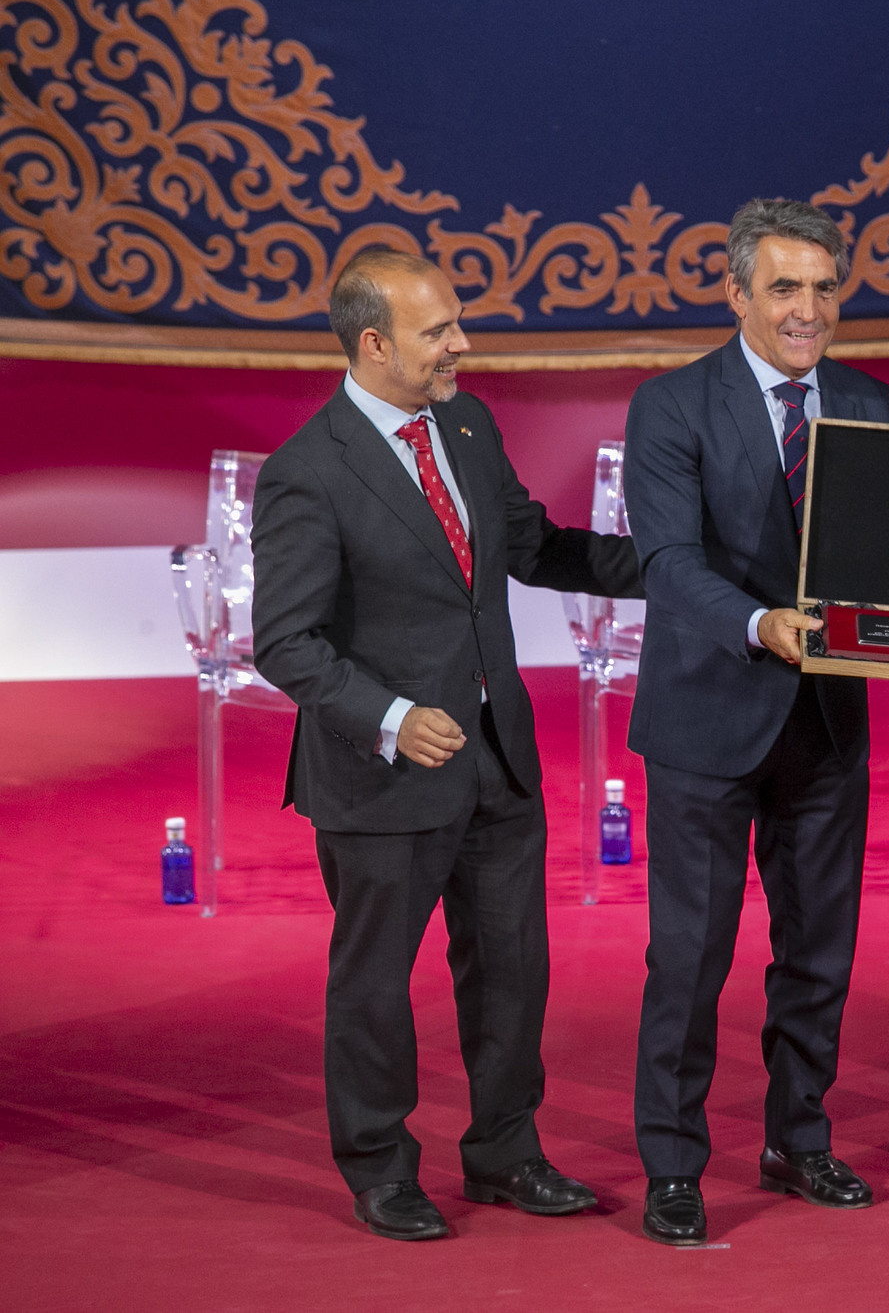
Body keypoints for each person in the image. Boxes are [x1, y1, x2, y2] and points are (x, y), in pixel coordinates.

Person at [251, 249, 643, 1241]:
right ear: (373, 344)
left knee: (512, 973)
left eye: (456, 321)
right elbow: (285, 642)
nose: (460, 344)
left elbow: (534, 546)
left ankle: (506, 1153)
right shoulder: (308, 470)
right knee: (375, 986)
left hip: (497, 760)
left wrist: (675, 567)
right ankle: (380, 1168)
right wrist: (389, 717)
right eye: (438, 331)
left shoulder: (465, 427)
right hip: (382, 777)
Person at [624, 198, 889, 1246]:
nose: (807, 310)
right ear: (737, 293)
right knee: (689, 957)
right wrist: (757, 624)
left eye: (825, 288)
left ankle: (799, 1139)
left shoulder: (871, 403)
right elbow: (666, 564)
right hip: (707, 720)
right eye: (784, 288)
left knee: (818, 951)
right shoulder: (671, 406)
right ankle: (672, 1166)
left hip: (827, 724)